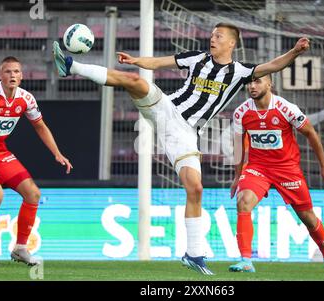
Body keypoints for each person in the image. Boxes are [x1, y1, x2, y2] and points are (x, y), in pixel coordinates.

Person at [53, 23, 309, 275]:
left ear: (231, 42)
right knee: (135, 81)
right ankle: (71, 66)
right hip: (167, 109)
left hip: (186, 134)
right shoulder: (197, 59)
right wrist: (135, 60)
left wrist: (296, 51)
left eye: (218, 36)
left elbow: (274, 65)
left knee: (195, 188)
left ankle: (194, 254)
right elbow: (159, 63)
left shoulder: (241, 72)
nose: (212, 39)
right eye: (211, 35)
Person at [228, 75, 324, 275]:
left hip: (287, 169)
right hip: (258, 168)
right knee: (243, 201)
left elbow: (310, 133)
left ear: (269, 84)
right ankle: (246, 260)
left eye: (257, 82)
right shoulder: (241, 112)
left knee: (307, 217)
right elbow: (239, 145)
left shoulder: (286, 108)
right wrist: (238, 175)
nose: (252, 86)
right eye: (250, 82)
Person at [0, 56, 72, 266]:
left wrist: (57, 153)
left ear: (21, 76)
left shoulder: (26, 99)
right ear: (0, 75)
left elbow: (40, 126)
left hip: (0, 152)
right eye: (8, 71)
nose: (12, 75)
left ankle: (21, 248)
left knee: (33, 193)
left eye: (16, 72)